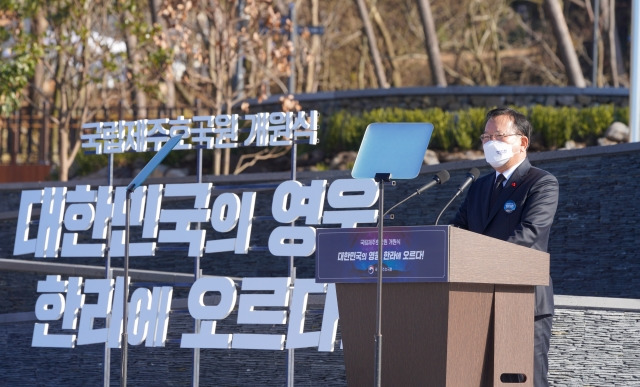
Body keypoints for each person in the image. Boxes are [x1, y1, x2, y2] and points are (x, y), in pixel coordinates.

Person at [451, 107, 558, 387]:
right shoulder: (478, 185)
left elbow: (529, 234)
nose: (490, 143)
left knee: (524, 381)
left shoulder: (541, 183)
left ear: (522, 142)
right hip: (477, 301)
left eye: (498, 135)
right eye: (485, 137)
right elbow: (457, 230)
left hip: (523, 300)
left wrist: (479, 260)